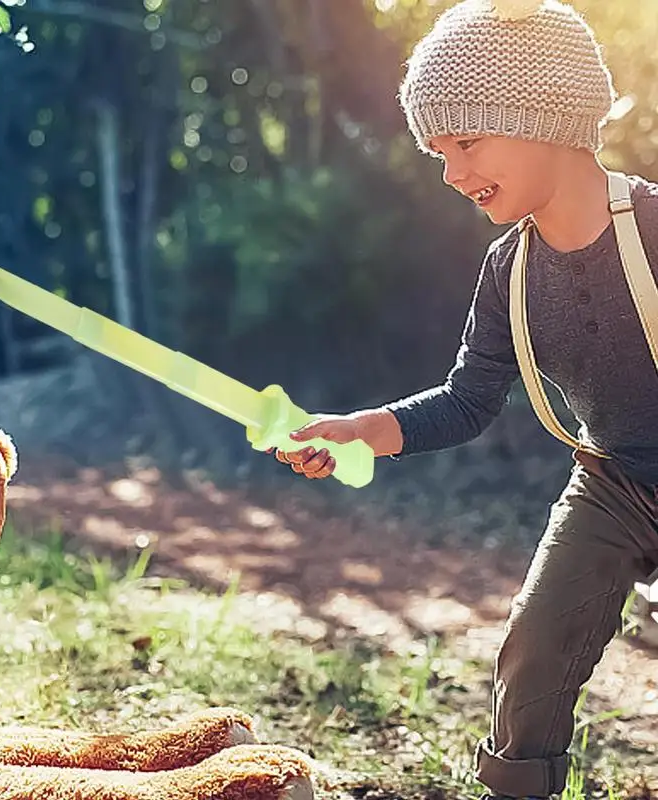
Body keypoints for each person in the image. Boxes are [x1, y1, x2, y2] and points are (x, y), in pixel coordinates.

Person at [268, 1, 658, 797]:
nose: (449, 172)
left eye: (466, 141)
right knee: (535, 646)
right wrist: (361, 431)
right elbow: (467, 398)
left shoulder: (653, 226)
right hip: (613, 479)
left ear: (542, 115)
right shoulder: (508, 270)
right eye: (437, 151)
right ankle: (518, 787)